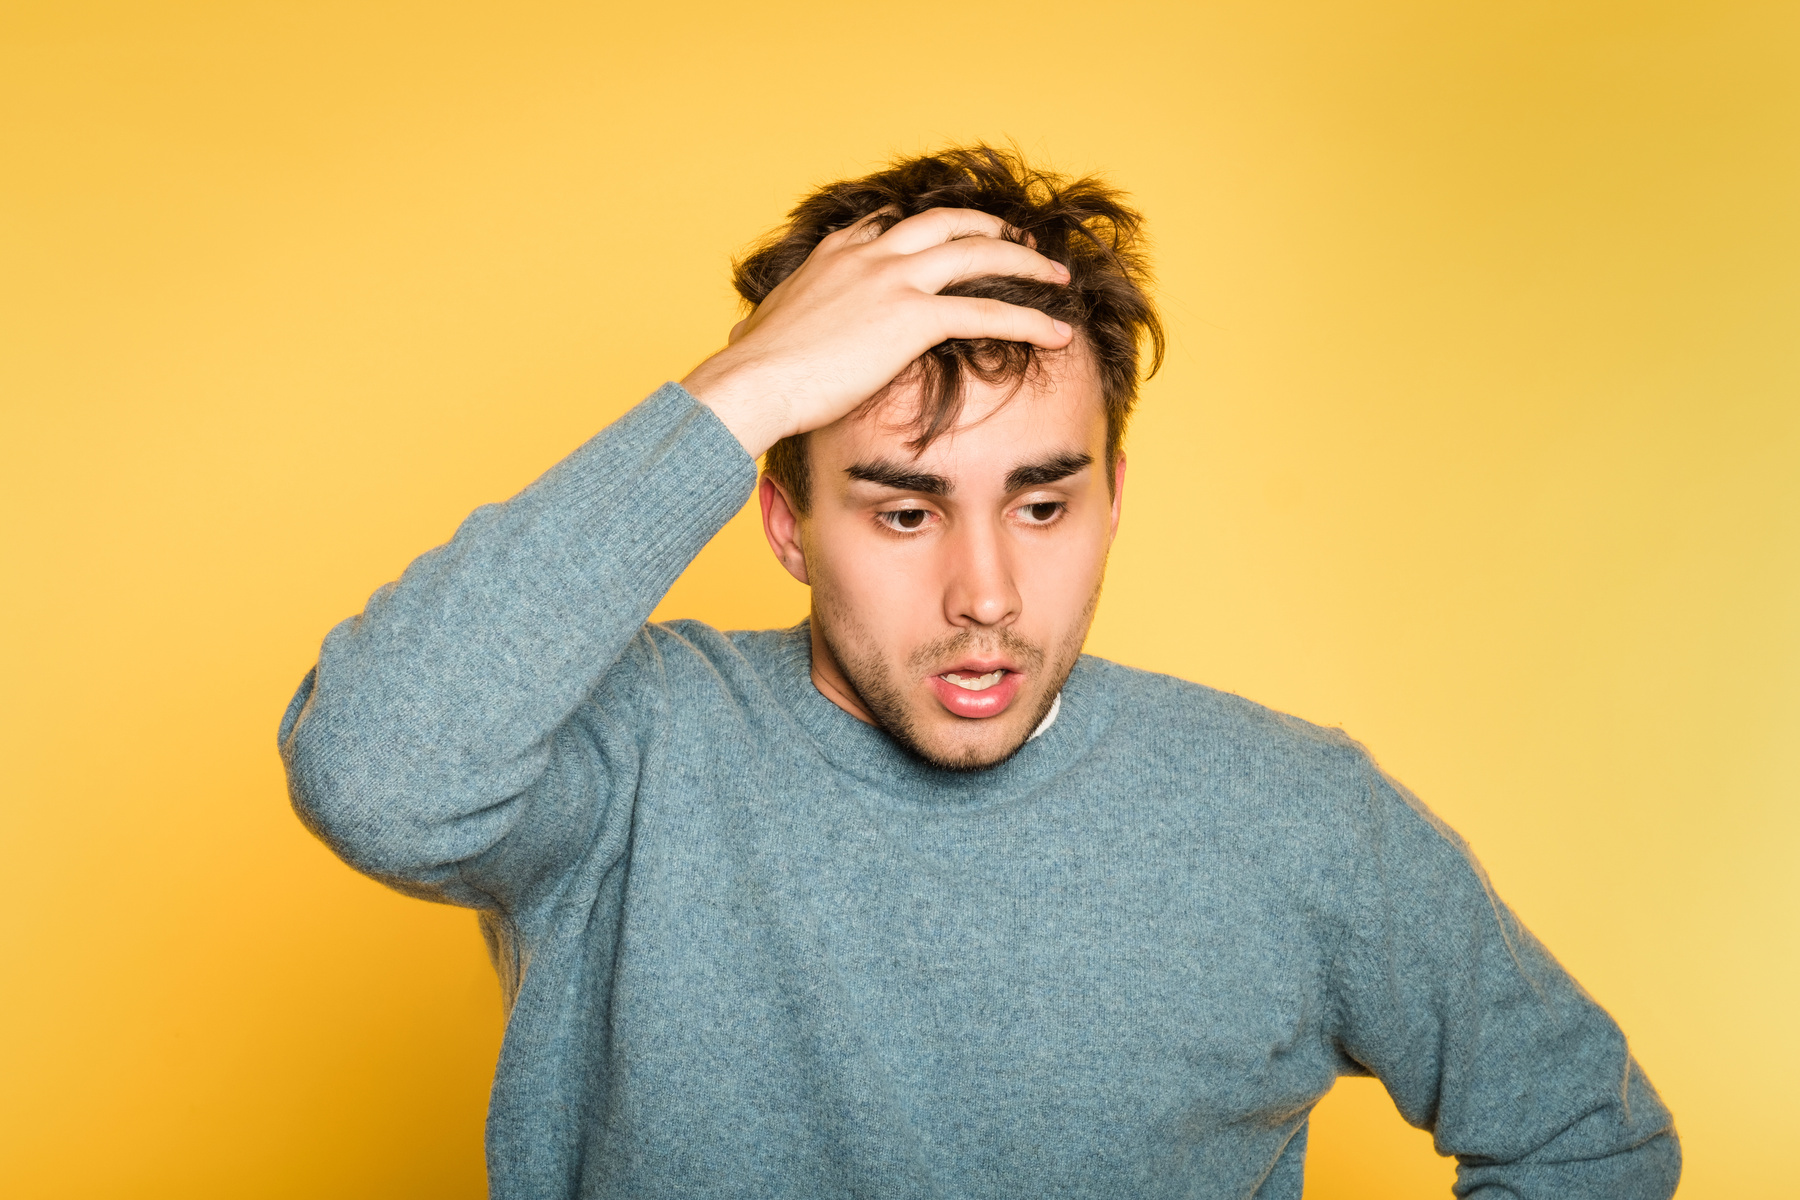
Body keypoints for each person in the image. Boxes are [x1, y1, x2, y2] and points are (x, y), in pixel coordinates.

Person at [279, 145, 1679, 1199]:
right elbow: (376, 773)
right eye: (902, 510)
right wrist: (745, 388)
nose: (986, 595)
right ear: (785, 518)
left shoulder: (1300, 818)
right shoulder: (633, 754)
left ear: (1114, 496)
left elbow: (1584, 1141)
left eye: (1043, 502)